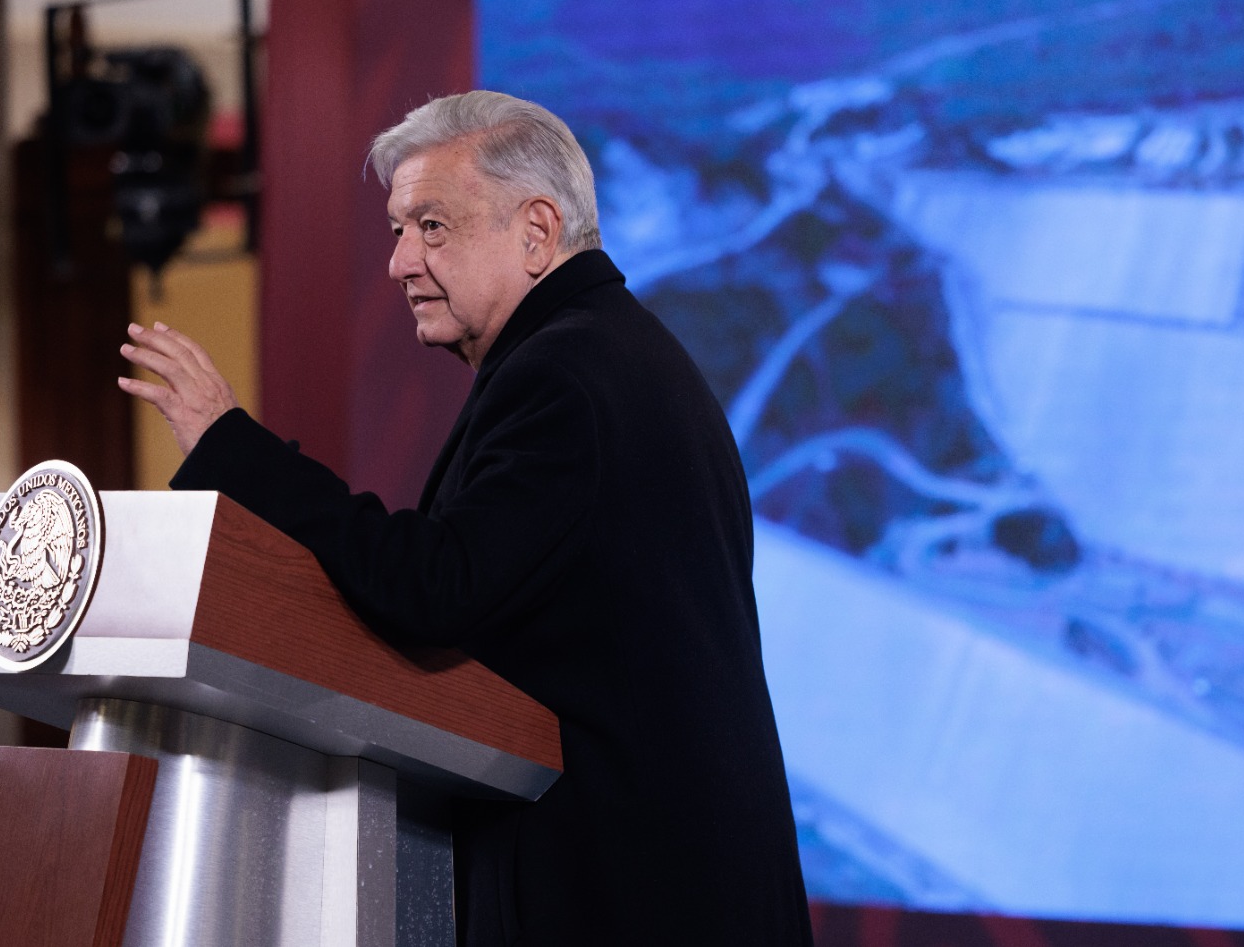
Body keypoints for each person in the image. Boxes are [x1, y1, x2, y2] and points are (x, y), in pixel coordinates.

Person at [118, 90, 813, 946]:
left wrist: (232, 448)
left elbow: (436, 588)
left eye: (432, 226)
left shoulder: (566, 375)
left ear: (537, 231)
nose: (399, 262)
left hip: (628, 898)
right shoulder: (608, 349)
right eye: (397, 230)